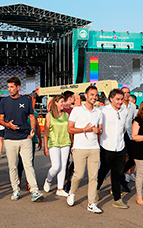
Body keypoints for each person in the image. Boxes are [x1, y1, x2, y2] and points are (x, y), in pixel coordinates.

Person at [0, 76, 44, 202]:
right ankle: (15, 189)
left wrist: (33, 129)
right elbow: (0, 120)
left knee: (28, 165)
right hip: (10, 139)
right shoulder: (4, 102)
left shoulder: (26, 100)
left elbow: (32, 116)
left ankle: (34, 190)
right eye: (8, 87)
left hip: (25, 138)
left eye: (12, 87)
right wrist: (8, 125)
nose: (9, 89)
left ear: (18, 87)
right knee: (12, 166)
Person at [67, 85, 103, 214]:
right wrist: (84, 129)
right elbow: (70, 129)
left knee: (94, 177)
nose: (94, 97)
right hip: (80, 147)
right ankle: (71, 192)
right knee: (79, 174)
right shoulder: (77, 110)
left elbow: (100, 129)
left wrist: (98, 131)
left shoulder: (99, 112)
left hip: (94, 148)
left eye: (96, 95)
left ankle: (91, 203)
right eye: (92, 94)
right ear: (85, 96)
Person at [97, 88, 129, 209]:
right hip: (106, 147)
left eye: (121, 99)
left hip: (120, 148)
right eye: (117, 99)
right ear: (111, 99)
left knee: (118, 174)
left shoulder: (124, 111)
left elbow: (124, 128)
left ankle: (117, 198)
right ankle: (95, 190)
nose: (120, 102)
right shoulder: (102, 110)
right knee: (102, 172)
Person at [42, 95, 72, 197]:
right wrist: (45, 146)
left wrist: (72, 142)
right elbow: (46, 132)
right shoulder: (49, 115)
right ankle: (48, 180)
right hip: (53, 142)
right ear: (55, 103)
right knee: (56, 166)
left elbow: (69, 130)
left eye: (63, 101)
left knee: (63, 166)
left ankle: (60, 189)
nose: (63, 104)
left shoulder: (66, 115)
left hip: (65, 142)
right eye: (61, 102)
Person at [121, 87, 136, 187]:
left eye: (128, 92)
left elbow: (135, 120)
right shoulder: (118, 105)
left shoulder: (133, 106)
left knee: (133, 156)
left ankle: (125, 172)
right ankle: (124, 175)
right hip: (120, 134)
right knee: (122, 156)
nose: (126, 94)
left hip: (130, 134)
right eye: (124, 92)